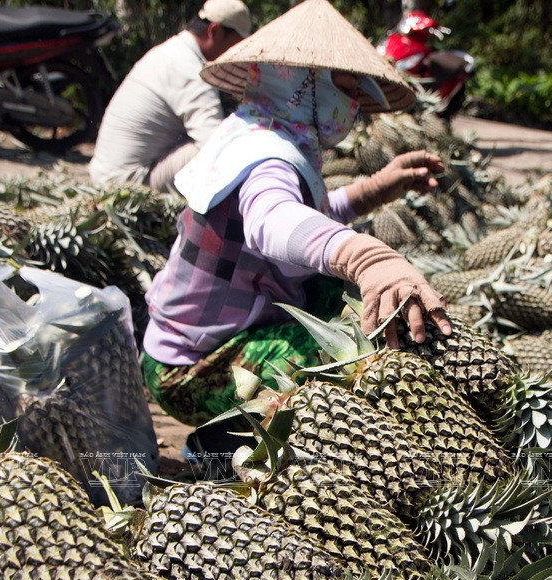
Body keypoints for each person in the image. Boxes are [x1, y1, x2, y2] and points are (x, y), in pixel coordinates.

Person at [140, 0, 453, 462]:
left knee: (352, 302)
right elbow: (273, 222)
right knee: (356, 358)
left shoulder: (255, 129)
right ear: (301, 81)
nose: (352, 105)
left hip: (201, 340)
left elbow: (302, 215)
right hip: (193, 368)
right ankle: (219, 445)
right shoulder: (268, 155)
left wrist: (376, 188)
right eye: (345, 87)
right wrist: (370, 258)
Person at [88, 0, 251, 193]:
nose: (235, 54)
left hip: (105, 173)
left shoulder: (171, 52)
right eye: (234, 45)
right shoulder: (188, 69)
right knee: (219, 149)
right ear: (214, 31)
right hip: (125, 183)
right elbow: (212, 141)